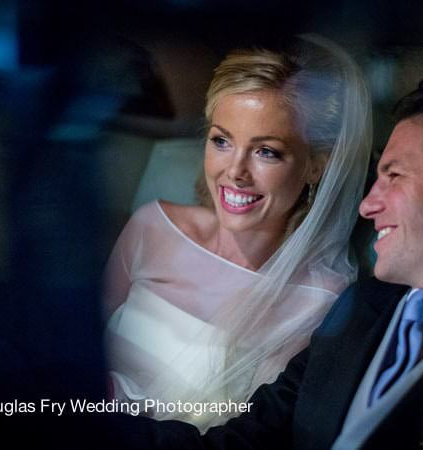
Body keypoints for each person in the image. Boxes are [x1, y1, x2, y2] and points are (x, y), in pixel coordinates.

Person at [110, 77, 423, 448]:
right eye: (221, 141)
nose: (368, 206)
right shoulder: (363, 309)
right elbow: (243, 441)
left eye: (393, 176)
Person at [102, 35, 372, 431]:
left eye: (267, 151)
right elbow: (73, 356)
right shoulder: (152, 226)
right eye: (222, 141)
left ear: (316, 167)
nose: (235, 172)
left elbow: (257, 434)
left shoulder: (321, 302)